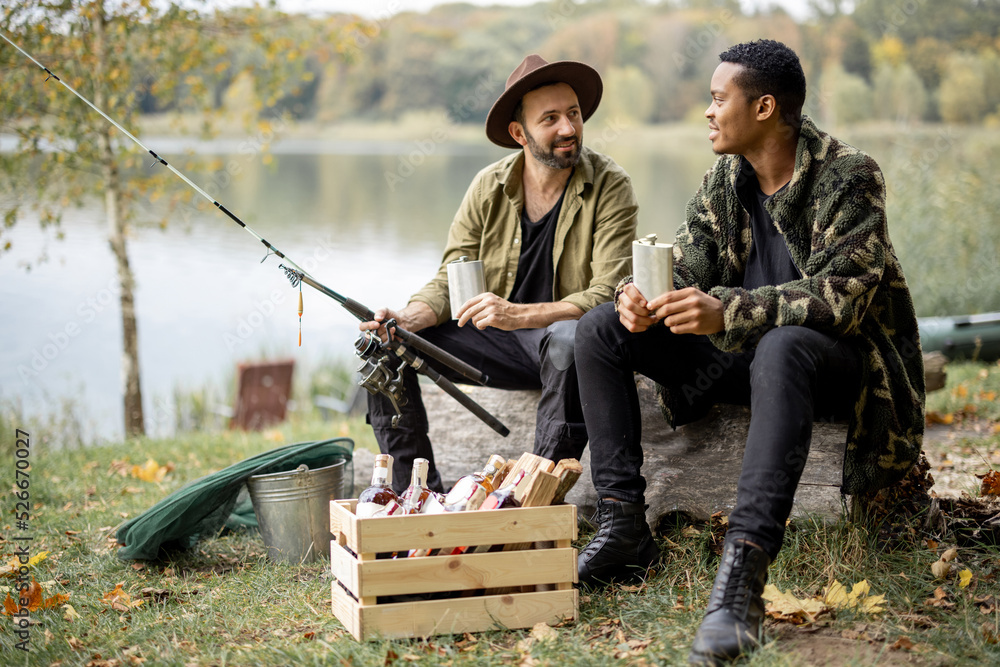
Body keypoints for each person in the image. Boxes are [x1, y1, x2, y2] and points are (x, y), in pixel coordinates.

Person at [572, 40, 924, 664]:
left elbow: (843, 300)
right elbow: (687, 265)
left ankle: (742, 578)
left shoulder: (849, 175)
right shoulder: (723, 179)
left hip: (837, 368)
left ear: (763, 107)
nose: (707, 112)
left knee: (783, 346)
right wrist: (640, 298)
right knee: (601, 327)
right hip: (739, 361)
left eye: (717, 98)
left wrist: (727, 311)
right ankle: (623, 523)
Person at [360, 54, 639, 494]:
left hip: (563, 348)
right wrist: (408, 319)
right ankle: (417, 494)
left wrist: (517, 314)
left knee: (571, 338)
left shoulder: (611, 185)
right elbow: (450, 276)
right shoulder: (488, 185)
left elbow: (605, 295)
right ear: (519, 133)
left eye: (573, 114)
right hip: (496, 342)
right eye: (550, 118)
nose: (568, 128)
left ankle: (530, 497)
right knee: (385, 346)